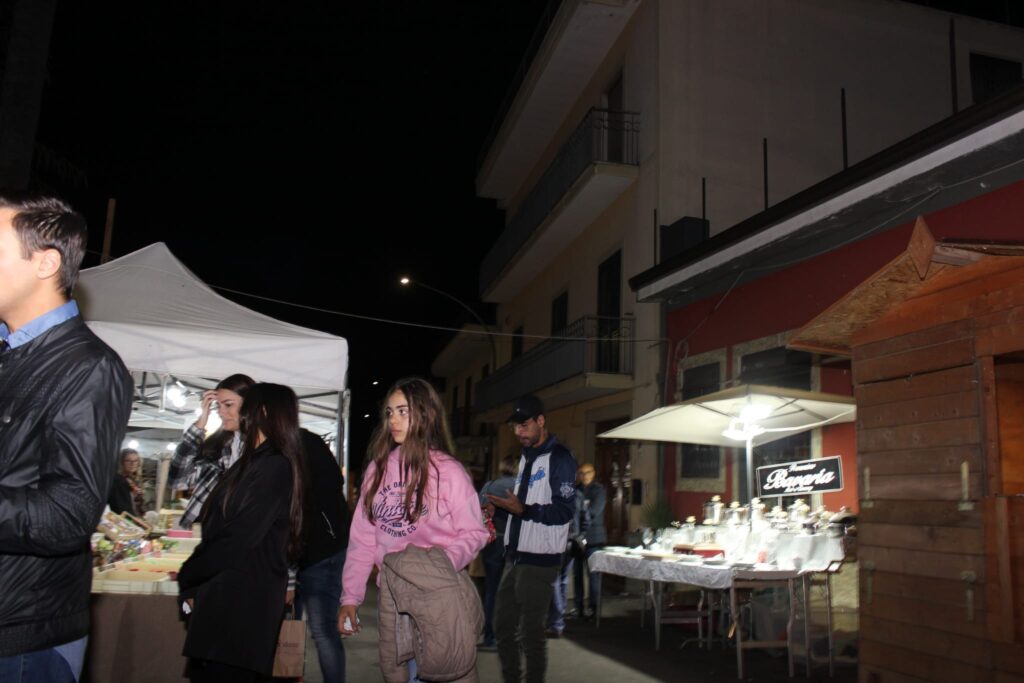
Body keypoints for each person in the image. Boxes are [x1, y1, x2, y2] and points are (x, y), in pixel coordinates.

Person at [0, 194, 133, 682]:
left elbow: (68, 515)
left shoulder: (90, 367)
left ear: (46, 263)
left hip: (23, 637)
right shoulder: (9, 354)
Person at [339, 377, 490, 682]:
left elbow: (475, 532)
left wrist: (440, 563)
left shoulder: (448, 471)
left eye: (403, 411)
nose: (393, 420)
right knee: (400, 674)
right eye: (389, 412)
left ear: (425, 414)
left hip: (438, 593)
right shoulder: (377, 470)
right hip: (392, 597)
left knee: (443, 669)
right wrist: (350, 598)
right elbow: (363, 540)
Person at [176, 383, 307, 683]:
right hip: (228, 597)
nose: (240, 412)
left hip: (242, 606)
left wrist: (190, 574)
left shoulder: (274, 466)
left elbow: (237, 538)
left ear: (262, 412)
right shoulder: (256, 460)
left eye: (246, 406)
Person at [488, 394, 577, 683]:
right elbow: (522, 503)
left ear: (541, 421)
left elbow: (564, 511)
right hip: (515, 556)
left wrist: (523, 510)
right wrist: (500, 508)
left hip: (540, 560)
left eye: (524, 425)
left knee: (531, 634)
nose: (518, 432)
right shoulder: (527, 456)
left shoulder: (560, 458)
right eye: (514, 426)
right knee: (502, 627)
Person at [295, 430, 350, 683]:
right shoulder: (308, 443)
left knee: (319, 630)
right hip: (323, 552)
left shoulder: (299, 446)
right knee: (318, 630)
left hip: (317, 554)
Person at [168, 373, 255, 529]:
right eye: (218, 406)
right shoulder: (218, 446)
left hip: (237, 535)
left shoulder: (262, 449)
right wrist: (200, 424)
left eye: (228, 405)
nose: (221, 412)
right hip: (202, 533)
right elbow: (177, 481)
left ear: (250, 405)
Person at [478, 456, 518, 648]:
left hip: (492, 543)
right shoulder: (523, 488)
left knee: (491, 591)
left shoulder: (490, 486)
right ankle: (510, 635)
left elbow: (477, 512)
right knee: (514, 592)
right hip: (516, 544)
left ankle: (490, 636)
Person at [573, 462, 607, 619]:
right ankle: (578, 607)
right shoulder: (575, 490)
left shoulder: (599, 490)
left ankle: (593, 608)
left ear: (593, 473)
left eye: (587, 472)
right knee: (577, 574)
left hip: (594, 538)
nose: (584, 476)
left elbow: (594, 511)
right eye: (581, 473)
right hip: (576, 538)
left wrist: (578, 513)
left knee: (593, 574)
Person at [109, 448, 145, 515]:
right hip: (124, 519)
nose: (132, 464)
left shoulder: (134, 480)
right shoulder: (118, 481)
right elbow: (121, 508)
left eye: (135, 461)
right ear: (122, 462)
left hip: (135, 517)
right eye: (128, 461)